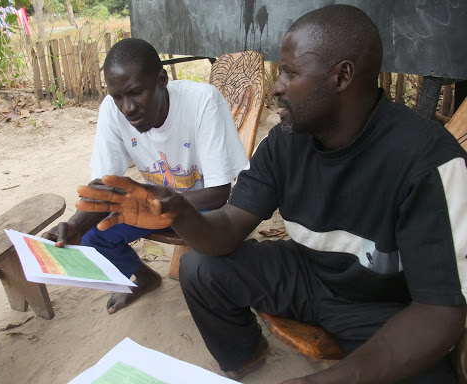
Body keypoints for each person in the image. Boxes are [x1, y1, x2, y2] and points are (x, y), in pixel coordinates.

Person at [74, 5, 467, 384]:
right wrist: (176, 210)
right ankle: (245, 356)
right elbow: (227, 226)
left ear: (341, 77)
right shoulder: (283, 144)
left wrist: (334, 378)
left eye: (289, 73)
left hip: (383, 309)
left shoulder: (427, 163)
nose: (276, 86)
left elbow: (440, 312)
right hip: (310, 275)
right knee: (200, 269)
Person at [43, 38, 248, 314]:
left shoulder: (202, 101)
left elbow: (219, 192)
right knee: (93, 237)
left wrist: (149, 203)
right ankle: (146, 277)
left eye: (136, 93)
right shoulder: (111, 110)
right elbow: (105, 185)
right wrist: (75, 225)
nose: (127, 108)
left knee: (207, 265)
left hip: (202, 206)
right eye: (118, 97)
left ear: (162, 80)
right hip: (150, 205)